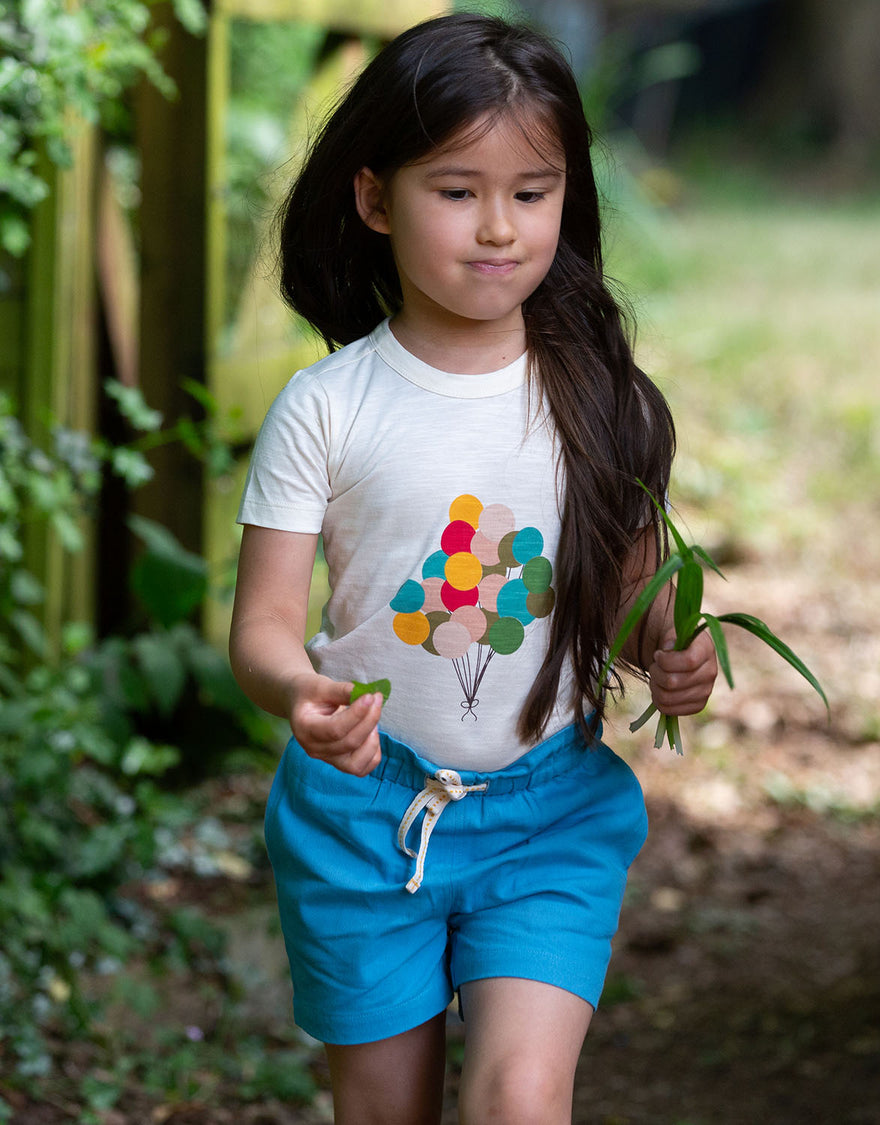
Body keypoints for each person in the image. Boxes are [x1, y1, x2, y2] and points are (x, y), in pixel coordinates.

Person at [229, 12, 717, 1124]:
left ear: (565, 198)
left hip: (550, 815)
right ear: (373, 200)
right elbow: (260, 625)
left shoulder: (604, 399)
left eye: (531, 193)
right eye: (456, 192)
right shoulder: (327, 408)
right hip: (362, 821)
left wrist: (674, 654)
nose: (498, 228)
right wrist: (300, 691)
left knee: (520, 1101)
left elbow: (644, 600)